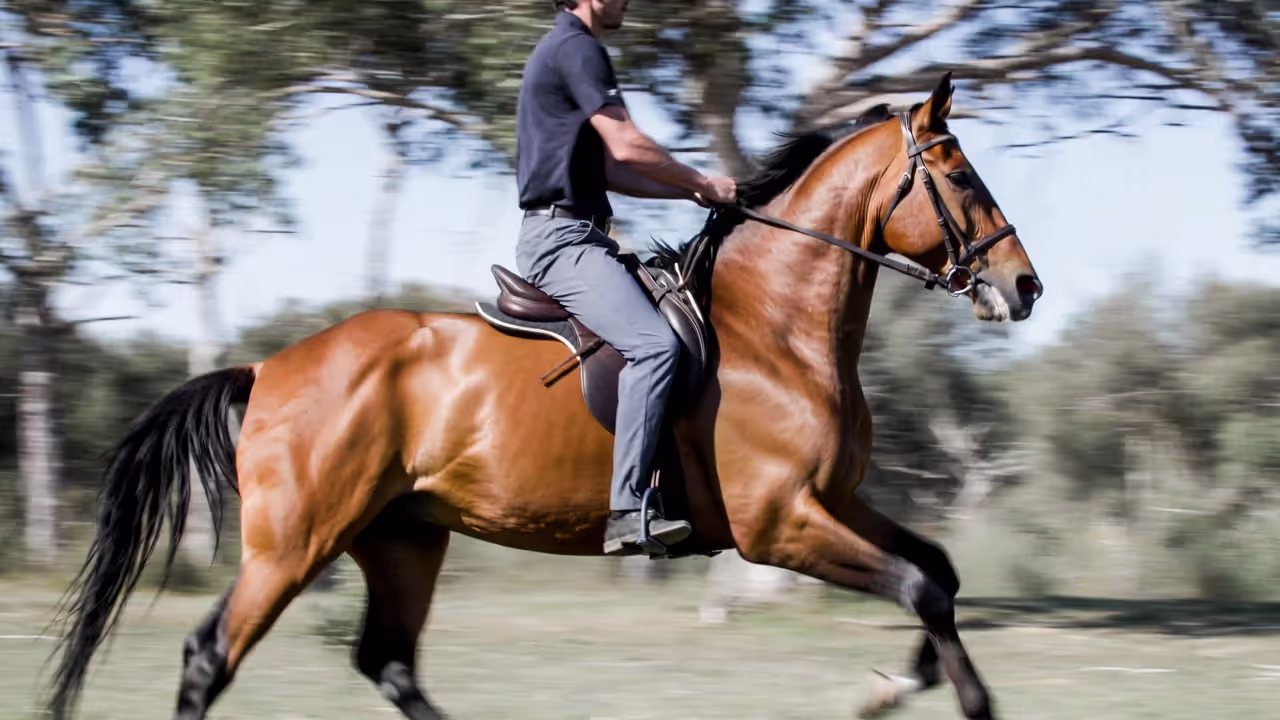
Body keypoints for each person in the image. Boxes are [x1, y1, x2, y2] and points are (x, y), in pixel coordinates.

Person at [514, 0, 738, 555]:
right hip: (560, 240)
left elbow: (612, 170)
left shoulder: (572, 49)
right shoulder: (576, 48)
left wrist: (690, 192)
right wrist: (701, 179)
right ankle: (627, 508)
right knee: (655, 346)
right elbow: (628, 145)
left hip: (582, 232)